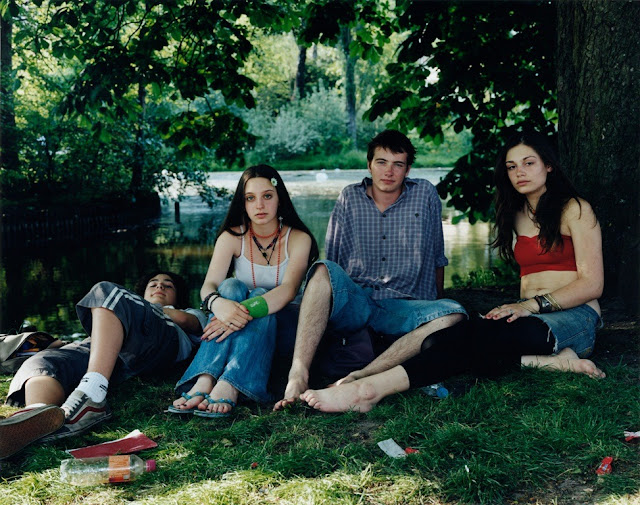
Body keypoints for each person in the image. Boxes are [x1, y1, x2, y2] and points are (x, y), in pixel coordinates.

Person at [299, 130, 606, 413]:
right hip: (528, 316)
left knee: (473, 338)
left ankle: (368, 390)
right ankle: (553, 363)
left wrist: (528, 306)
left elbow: (592, 284)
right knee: (443, 339)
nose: (520, 172)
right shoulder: (517, 214)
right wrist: (523, 309)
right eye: (512, 167)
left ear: (548, 165)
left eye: (528, 163)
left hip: (574, 318)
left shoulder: (576, 209)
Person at [274, 130, 468, 410]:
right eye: (381, 162)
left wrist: (436, 304)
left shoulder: (424, 193)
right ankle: (298, 375)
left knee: (453, 313)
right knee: (322, 269)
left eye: (397, 164)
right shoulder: (349, 197)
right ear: (369, 164)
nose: (388, 172)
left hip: (405, 305)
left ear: (407, 169)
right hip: (359, 300)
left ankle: (361, 377)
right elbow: (334, 262)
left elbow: (438, 256)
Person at [1, 271, 207, 459]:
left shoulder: (186, 312)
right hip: (111, 351)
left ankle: (93, 394)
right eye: (153, 284)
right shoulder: (122, 311)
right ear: (141, 293)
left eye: (168, 285)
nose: (159, 287)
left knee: (105, 292)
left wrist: (147, 309)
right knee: (44, 361)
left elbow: (189, 321)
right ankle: (38, 417)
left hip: (160, 342)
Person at [169, 164, 318, 417]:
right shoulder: (231, 237)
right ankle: (206, 378)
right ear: (243, 203)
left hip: (283, 327)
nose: (259, 205)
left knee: (259, 293)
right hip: (241, 328)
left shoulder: (298, 238)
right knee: (230, 286)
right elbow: (209, 286)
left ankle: (231, 383)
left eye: (267, 196)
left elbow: (289, 290)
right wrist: (219, 305)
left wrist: (240, 312)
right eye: (251, 198)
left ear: (280, 199)